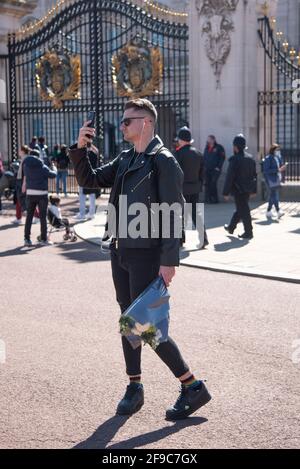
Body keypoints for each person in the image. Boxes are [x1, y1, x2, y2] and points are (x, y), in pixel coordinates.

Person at [69, 99, 212, 421]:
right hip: (121, 250)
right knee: (127, 322)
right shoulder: (126, 158)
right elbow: (89, 179)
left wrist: (169, 261)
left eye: (127, 121)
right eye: (122, 121)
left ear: (146, 122)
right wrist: (81, 148)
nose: (122, 126)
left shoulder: (163, 162)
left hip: (147, 253)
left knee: (145, 324)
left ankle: (192, 385)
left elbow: (173, 214)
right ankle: (134, 387)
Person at [174, 126, 209, 250]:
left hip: (182, 189)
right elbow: (202, 173)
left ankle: (180, 240)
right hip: (194, 188)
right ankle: (204, 238)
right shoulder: (198, 153)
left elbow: (175, 174)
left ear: (181, 140)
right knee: (196, 214)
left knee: (179, 215)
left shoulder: (178, 154)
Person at [223, 135, 257, 240]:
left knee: (244, 210)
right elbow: (254, 176)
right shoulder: (250, 159)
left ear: (235, 147)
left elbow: (230, 177)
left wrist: (225, 192)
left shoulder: (235, 160)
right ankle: (231, 227)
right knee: (240, 209)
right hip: (247, 189)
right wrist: (254, 190)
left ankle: (248, 232)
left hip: (238, 190)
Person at [23, 149, 57, 246]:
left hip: (30, 194)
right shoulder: (42, 166)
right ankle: (43, 239)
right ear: (39, 156)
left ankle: (27, 239)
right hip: (41, 194)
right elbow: (53, 175)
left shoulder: (26, 166)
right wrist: (54, 167)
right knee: (43, 217)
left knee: (29, 217)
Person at [75, 145, 99, 220]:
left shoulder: (84, 155)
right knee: (92, 196)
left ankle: (82, 214)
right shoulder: (94, 154)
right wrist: (91, 144)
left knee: (82, 196)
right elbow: (97, 151)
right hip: (92, 176)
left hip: (84, 177)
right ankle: (91, 213)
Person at [263, 144, 286, 220]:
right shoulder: (268, 158)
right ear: (273, 150)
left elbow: (280, 166)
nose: (278, 151)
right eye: (277, 150)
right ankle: (278, 210)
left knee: (273, 195)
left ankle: (268, 211)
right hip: (270, 179)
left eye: (279, 150)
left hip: (276, 178)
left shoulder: (277, 157)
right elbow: (266, 171)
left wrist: (282, 167)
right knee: (274, 195)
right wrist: (277, 170)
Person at [203, 135, 226, 204]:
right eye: (208, 139)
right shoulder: (206, 148)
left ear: (213, 140)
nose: (208, 141)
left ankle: (215, 199)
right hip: (207, 169)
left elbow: (222, 158)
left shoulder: (219, 147)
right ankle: (208, 199)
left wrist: (218, 167)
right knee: (207, 184)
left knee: (213, 183)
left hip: (215, 169)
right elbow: (204, 157)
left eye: (209, 139)